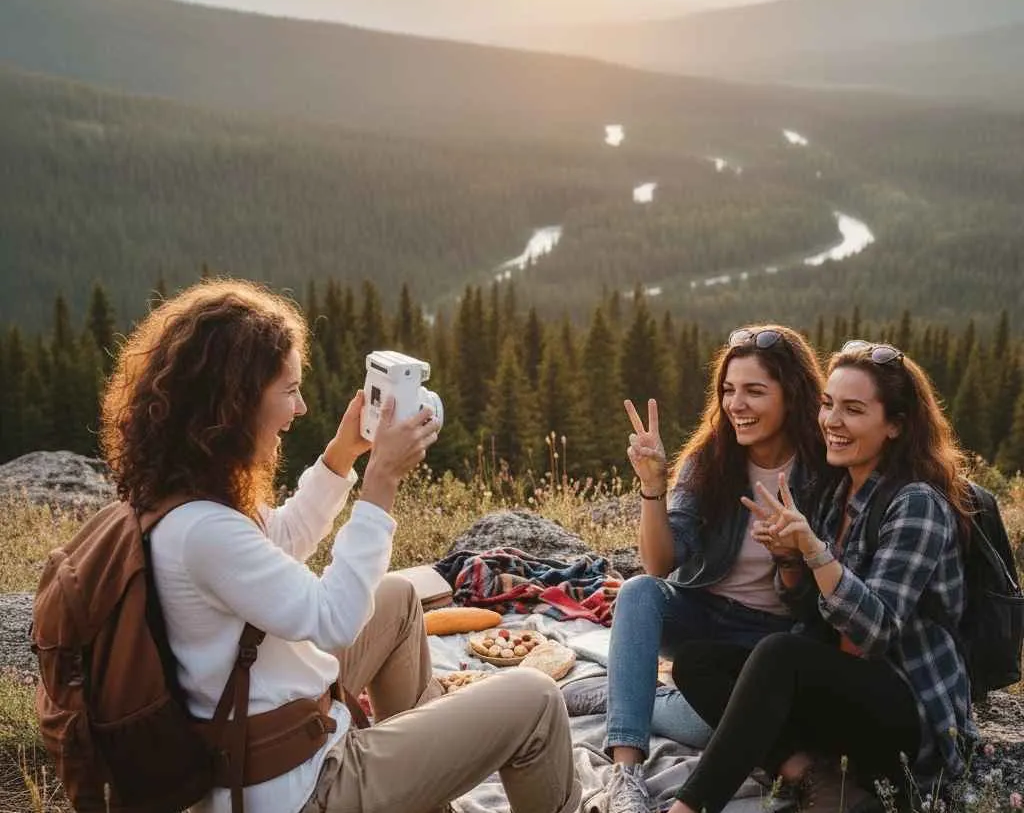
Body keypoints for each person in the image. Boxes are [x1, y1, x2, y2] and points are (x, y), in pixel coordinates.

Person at [99, 279, 582, 813]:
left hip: (264, 731)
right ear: (234, 403)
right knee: (535, 700)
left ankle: (424, 792)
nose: (301, 407)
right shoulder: (204, 531)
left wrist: (342, 454)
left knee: (397, 598)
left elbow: (281, 539)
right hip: (300, 787)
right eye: (289, 390)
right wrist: (381, 483)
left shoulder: (185, 496)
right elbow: (335, 619)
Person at [666, 340, 977, 813]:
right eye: (828, 404)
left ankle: (688, 808)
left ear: (895, 425)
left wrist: (814, 550)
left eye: (853, 410)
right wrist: (790, 561)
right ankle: (815, 776)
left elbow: (875, 632)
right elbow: (809, 610)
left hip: (909, 712)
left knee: (780, 654)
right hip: (843, 693)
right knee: (696, 662)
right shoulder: (838, 493)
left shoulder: (916, 503)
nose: (832, 420)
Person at [605, 325, 832, 813]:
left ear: (791, 396)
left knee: (715, 729)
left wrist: (790, 555)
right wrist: (653, 487)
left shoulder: (824, 471)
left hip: (773, 641)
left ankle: (619, 696)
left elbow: (818, 598)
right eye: (728, 390)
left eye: (754, 391)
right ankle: (624, 775)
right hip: (702, 618)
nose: (736, 405)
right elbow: (660, 563)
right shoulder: (710, 459)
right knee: (638, 591)